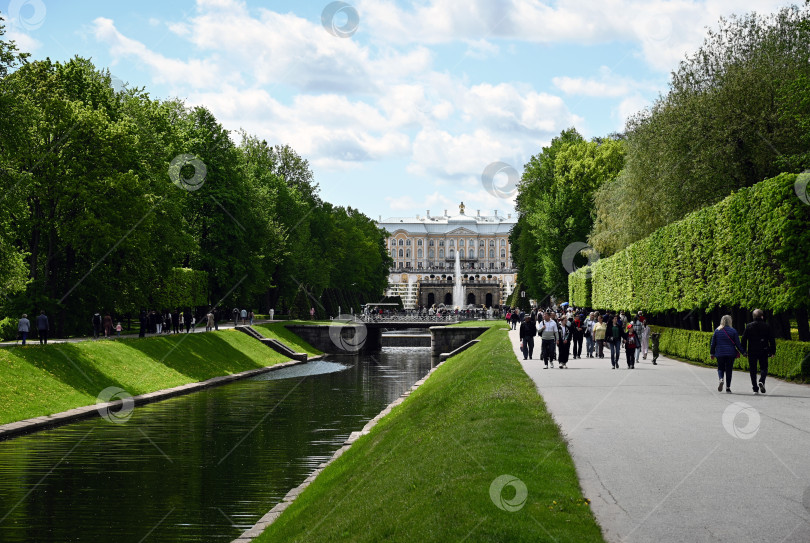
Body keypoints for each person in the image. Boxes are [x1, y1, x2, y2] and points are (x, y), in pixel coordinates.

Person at [741, 309, 776, 394]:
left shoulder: (749, 326)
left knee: (753, 370)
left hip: (752, 351)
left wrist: (744, 351)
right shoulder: (766, 326)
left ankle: (755, 388)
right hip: (764, 350)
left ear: (753, 317)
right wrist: (772, 351)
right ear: (762, 316)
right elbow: (771, 339)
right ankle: (762, 380)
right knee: (764, 368)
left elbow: (744, 339)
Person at [710, 315, 747, 393]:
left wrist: (712, 353)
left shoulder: (717, 330)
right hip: (731, 353)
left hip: (720, 353)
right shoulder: (733, 331)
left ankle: (721, 379)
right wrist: (743, 352)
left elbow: (713, 344)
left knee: (720, 368)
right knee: (729, 370)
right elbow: (737, 344)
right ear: (730, 321)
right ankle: (728, 387)